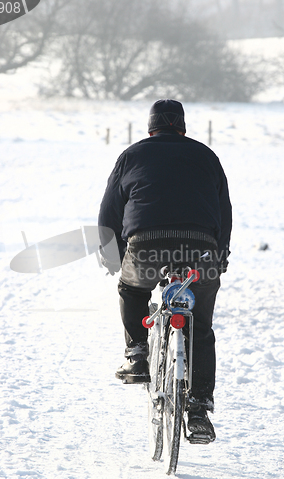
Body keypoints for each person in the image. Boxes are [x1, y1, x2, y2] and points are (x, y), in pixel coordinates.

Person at [98, 99, 232, 442]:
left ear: (150, 128)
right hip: (201, 248)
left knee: (133, 288)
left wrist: (111, 256)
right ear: (183, 128)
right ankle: (199, 408)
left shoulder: (131, 155)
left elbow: (110, 211)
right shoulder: (206, 156)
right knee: (199, 325)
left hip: (146, 244)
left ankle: (137, 355)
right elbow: (224, 211)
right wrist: (219, 256)